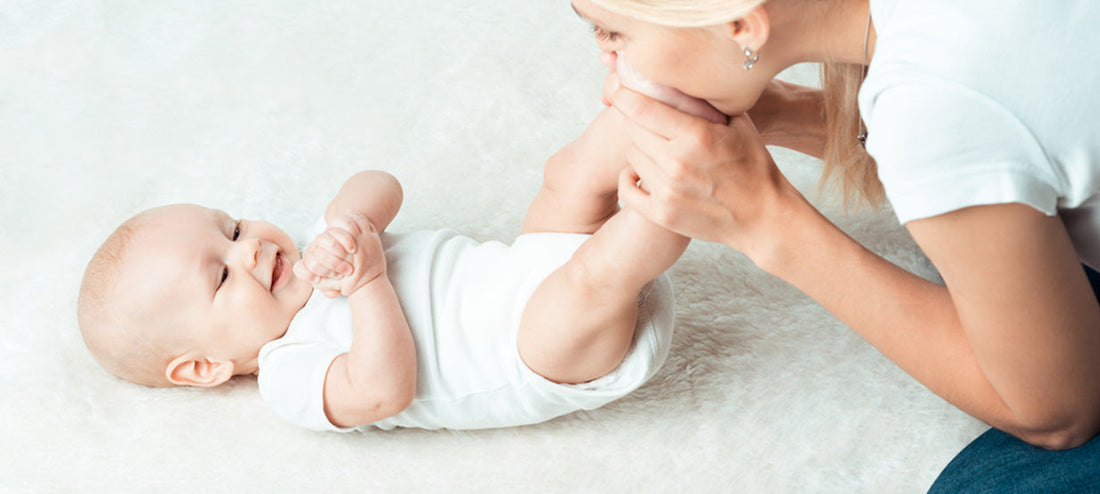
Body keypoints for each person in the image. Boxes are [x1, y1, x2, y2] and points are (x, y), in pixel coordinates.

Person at [568, 0, 1100, 491]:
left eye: (615, 31)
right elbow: (1006, 133)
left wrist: (765, 221)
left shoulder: (934, 105)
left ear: (742, 24)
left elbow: (1058, 413)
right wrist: (779, 113)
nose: (603, 53)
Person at [75, 102, 696, 431]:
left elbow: (382, 183)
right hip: (539, 353)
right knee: (596, 278)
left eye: (233, 228)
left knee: (568, 178)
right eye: (222, 276)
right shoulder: (289, 375)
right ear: (204, 366)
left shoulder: (324, 246)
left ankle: (673, 104)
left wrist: (350, 218)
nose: (250, 249)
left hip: (531, 261)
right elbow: (381, 391)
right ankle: (700, 185)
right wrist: (369, 284)